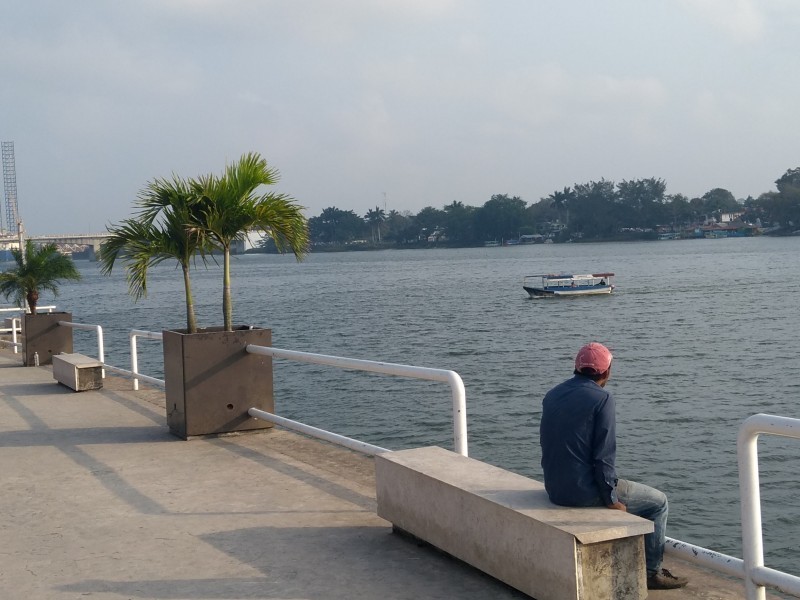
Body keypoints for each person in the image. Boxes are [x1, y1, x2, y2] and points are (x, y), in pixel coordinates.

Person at [539, 342, 689, 590]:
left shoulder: (553, 393)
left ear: (576, 368)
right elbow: (603, 458)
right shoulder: (603, 399)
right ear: (607, 372)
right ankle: (652, 572)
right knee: (658, 502)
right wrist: (611, 500)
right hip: (581, 493)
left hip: (554, 488)